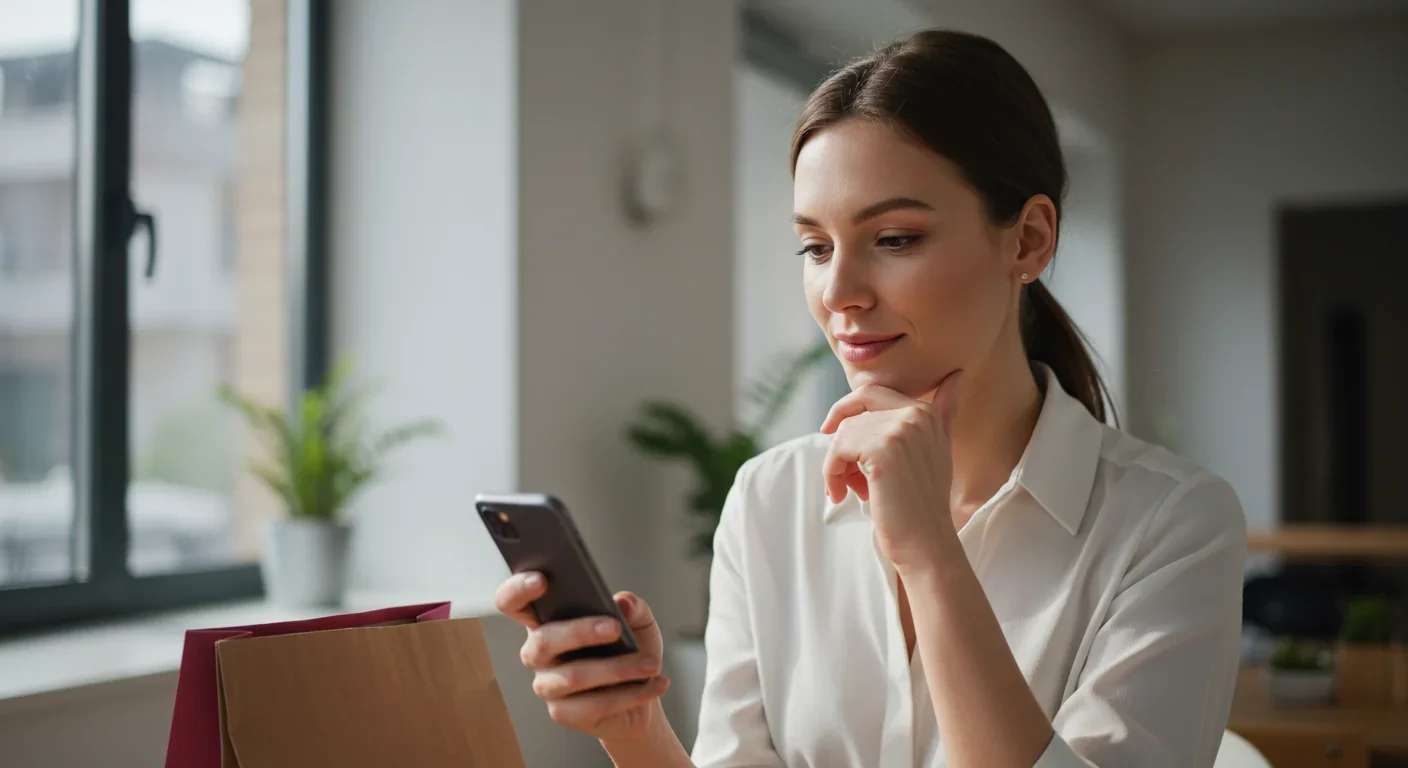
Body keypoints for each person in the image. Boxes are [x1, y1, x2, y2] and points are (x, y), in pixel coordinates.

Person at [495, 29, 1246, 767]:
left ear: (1028, 240)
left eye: (894, 239)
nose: (839, 293)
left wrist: (930, 554)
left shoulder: (1171, 525)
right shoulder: (771, 499)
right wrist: (634, 731)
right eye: (816, 247)